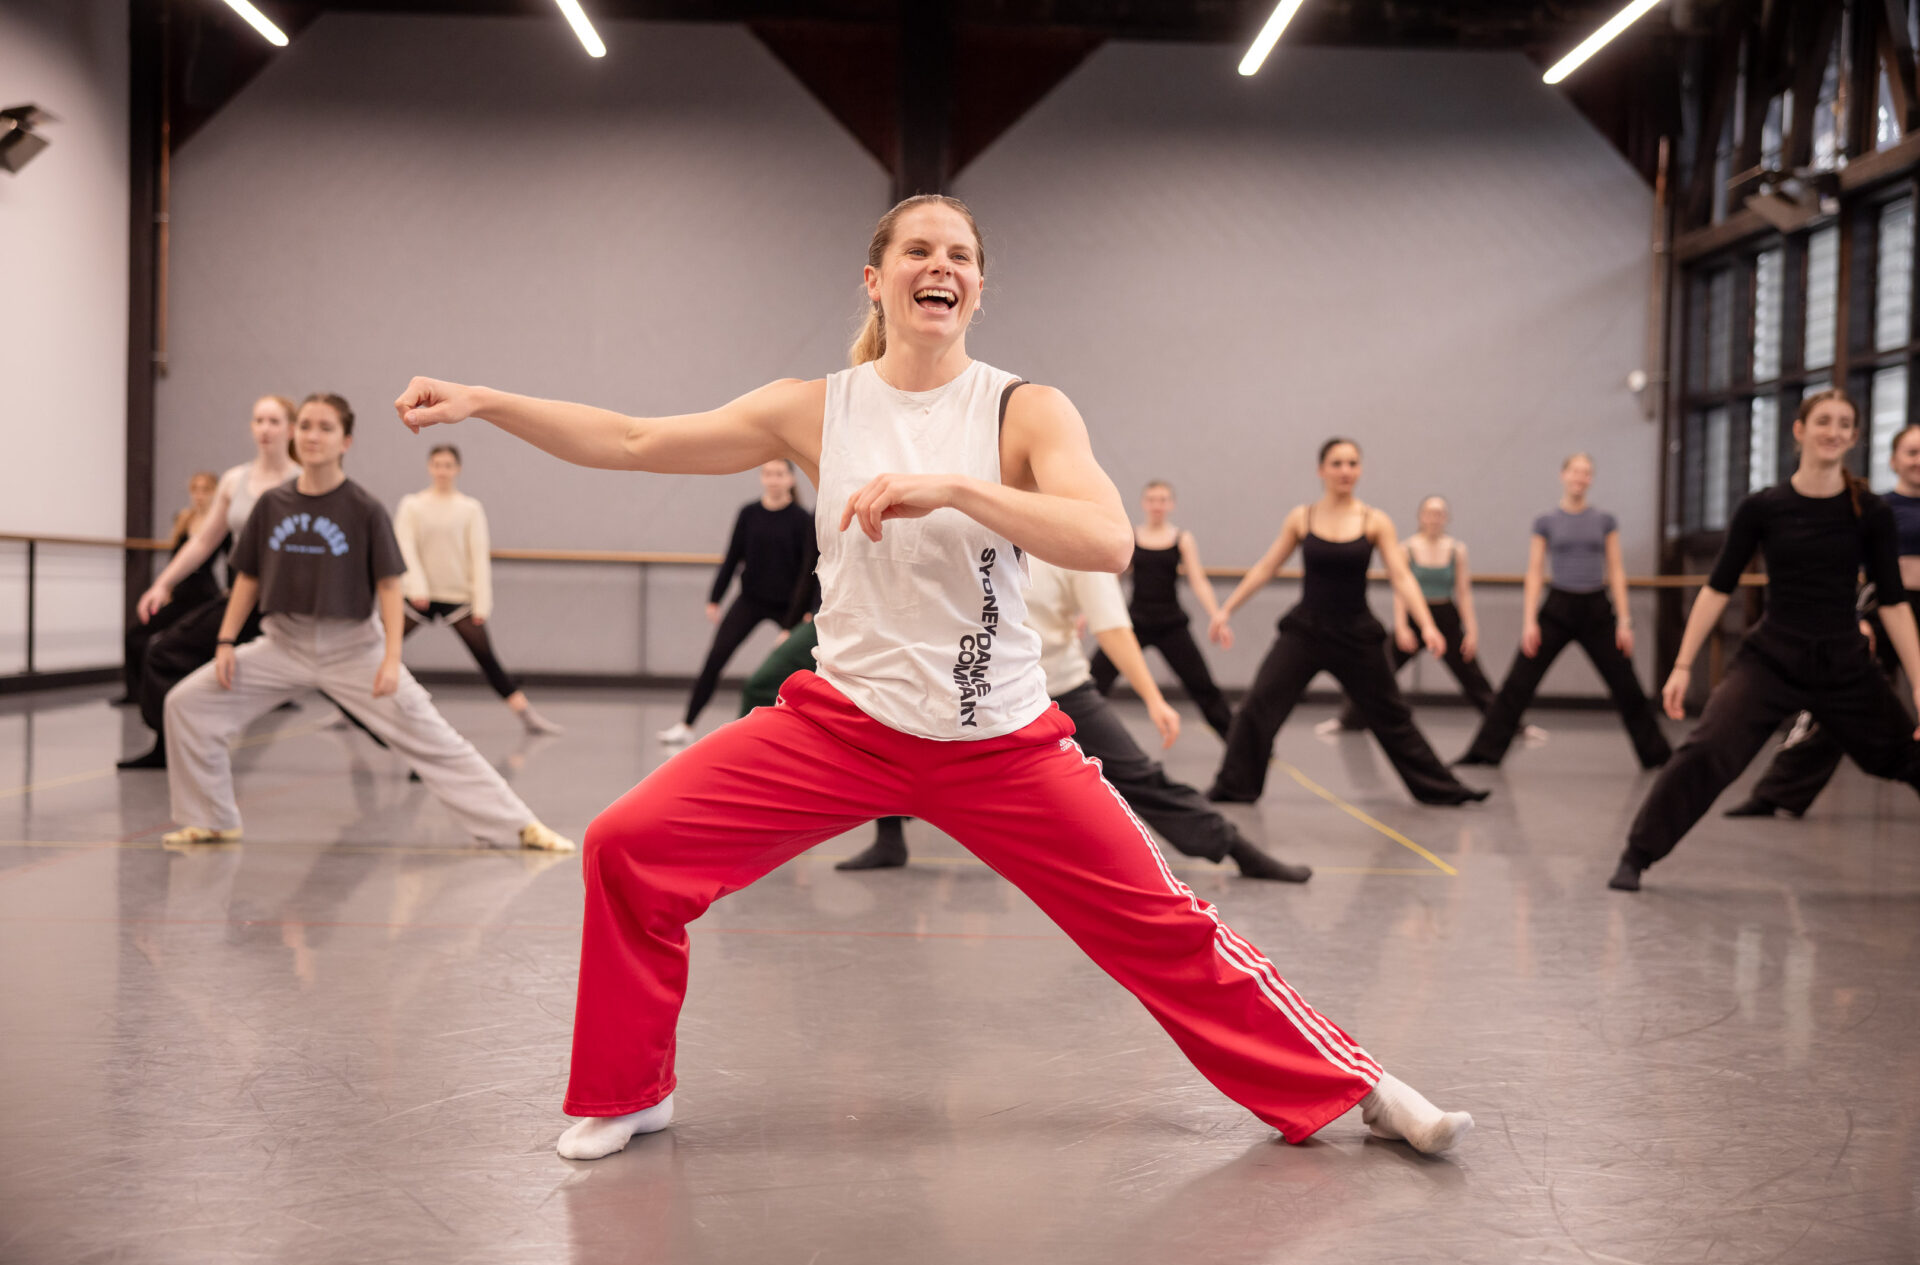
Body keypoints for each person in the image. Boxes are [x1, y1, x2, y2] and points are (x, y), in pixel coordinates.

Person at [394, 195, 1473, 1161]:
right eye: (917, 248)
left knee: (1165, 926)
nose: (937, 264)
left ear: (978, 287)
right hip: (841, 727)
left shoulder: (1024, 411)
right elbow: (631, 439)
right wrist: (489, 401)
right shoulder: (815, 407)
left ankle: (1358, 1084)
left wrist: (957, 490)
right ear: (878, 279)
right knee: (627, 848)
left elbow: (1105, 542)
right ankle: (630, 1093)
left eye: (958, 252)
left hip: (1003, 741)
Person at [161, 392, 575, 855]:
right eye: (306, 427)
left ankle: (519, 826)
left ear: (346, 441)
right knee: (187, 706)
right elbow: (249, 578)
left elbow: (391, 587)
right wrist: (224, 641)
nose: (312, 436)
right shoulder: (272, 504)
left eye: (325, 428)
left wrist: (392, 659)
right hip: (283, 645)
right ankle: (212, 820)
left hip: (353, 649)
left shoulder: (363, 508)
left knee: (433, 736)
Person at [751, 551, 1313, 881]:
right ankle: (889, 839)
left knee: (1137, 776)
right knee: (891, 736)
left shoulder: (1071, 543)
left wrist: (1153, 696)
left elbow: (1113, 626)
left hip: (1058, 689)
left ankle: (1233, 845)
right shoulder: (977, 520)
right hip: (979, 692)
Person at [1608, 391, 1920, 891]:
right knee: (1707, 750)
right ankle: (1636, 854)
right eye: (1823, 421)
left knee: (1908, 755)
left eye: (1844, 424)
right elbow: (1717, 587)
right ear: (1799, 430)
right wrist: (1683, 664)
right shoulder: (1764, 507)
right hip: (1772, 659)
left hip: (1844, 663)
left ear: (1855, 438)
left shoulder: (1871, 512)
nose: (1833, 431)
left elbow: (1893, 602)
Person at [1203, 439, 1489, 807]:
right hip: (1305, 631)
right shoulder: (1301, 517)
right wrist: (1227, 609)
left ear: (1360, 470)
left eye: (1352, 463)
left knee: (1392, 715)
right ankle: (1234, 787)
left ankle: (1443, 790)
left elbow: (1402, 577)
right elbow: (1267, 567)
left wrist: (1428, 625)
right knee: (1259, 705)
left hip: (1356, 634)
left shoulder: (1374, 520)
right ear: (1321, 470)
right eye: (1337, 463)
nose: (1345, 471)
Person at [1722, 421, 1920, 818]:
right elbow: (1844, 569)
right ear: (1894, 460)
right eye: (1912, 452)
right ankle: (1778, 791)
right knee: (1841, 707)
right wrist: (1854, 618)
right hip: (1885, 609)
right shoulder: (1873, 507)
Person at [119, 396, 303, 770]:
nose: (265, 428)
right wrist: (163, 583)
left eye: (274, 421)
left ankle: (413, 744)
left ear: (290, 428)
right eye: (259, 420)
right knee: (163, 651)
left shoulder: (303, 481)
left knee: (345, 682)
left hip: (287, 600)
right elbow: (204, 541)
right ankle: (167, 745)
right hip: (240, 598)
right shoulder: (235, 480)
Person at [1455, 454, 1671, 770]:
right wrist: (1529, 621)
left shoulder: (1604, 521)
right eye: (1575, 471)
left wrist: (1625, 621)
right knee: (1518, 681)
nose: (1580, 478)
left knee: (1627, 684)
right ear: (1563, 475)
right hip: (1557, 607)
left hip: (1597, 609)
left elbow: (1615, 570)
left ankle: (1658, 756)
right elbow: (1534, 570)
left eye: (1587, 473)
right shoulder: (1546, 521)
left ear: (1591, 479)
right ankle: (1484, 752)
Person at [394, 443, 562, 734]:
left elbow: (477, 555)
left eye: (448, 465)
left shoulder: (469, 509)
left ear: (457, 469)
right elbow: (405, 548)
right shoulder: (412, 505)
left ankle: (526, 715)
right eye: (437, 464)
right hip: (417, 597)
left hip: (457, 597)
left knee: (487, 659)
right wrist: (416, 588)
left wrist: (481, 603)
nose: (442, 470)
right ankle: (349, 711)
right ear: (429, 467)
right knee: (378, 649)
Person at [1320, 494, 1512, 736]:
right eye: (1429, 513)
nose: (1434, 518)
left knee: (1473, 676)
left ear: (1446, 518)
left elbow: (1464, 592)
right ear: (1421, 517)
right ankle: (1350, 720)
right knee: (1379, 668)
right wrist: (1401, 626)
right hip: (1414, 617)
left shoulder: (1456, 550)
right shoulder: (1407, 548)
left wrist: (1472, 630)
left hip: (1446, 617)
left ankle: (1507, 724)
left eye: (1439, 513)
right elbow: (1401, 590)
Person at [656, 460, 816, 744]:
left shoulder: (802, 518)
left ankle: (807, 731)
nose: (773, 479)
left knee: (807, 661)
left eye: (779, 474)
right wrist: (715, 597)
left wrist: (799, 616)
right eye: (768, 474)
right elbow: (732, 557)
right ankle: (686, 724)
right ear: (761, 478)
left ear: (791, 480)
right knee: (715, 658)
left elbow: (808, 570)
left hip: (789, 606)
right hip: (751, 600)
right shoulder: (749, 513)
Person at [1090, 481, 1234, 739]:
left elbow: (1198, 579)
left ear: (1171, 504)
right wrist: (1086, 614)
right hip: (1134, 624)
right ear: (1144, 503)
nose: (1157, 505)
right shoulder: (1131, 536)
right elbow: (1112, 580)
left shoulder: (1182, 539)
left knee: (1203, 686)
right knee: (1094, 680)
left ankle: (1240, 745)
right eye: (1152, 499)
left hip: (1172, 625)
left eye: (1163, 500)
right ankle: (1068, 739)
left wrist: (1216, 615)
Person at [116, 470, 223, 708]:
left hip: (204, 595)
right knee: (136, 636)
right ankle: (135, 693)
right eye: (195, 490)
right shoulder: (183, 520)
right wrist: (164, 585)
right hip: (180, 593)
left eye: (205, 490)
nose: (199, 495)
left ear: (215, 493)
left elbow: (229, 558)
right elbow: (178, 557)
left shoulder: (218, 522)